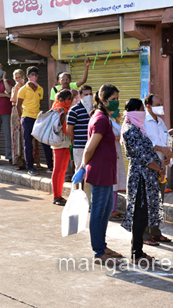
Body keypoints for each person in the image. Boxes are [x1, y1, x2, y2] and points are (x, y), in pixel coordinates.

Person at [72, 84, 122, 266]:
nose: (116, 103)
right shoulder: (100, 119)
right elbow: (89, 148)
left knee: (106, 210)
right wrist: (83, 168)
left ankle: (103, 245)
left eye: (117, 99)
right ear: (103, 100)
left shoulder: (103, 117)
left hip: (107, 170)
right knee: (99, 212)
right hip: (100, 171)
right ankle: (99, 252)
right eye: (113, 99)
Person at [121, 98, 164, 265]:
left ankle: (138, 251)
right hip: (140, 177)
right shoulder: (131, 130)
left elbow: (148, 151)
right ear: (134, 112)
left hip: (147, 176)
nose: (144, 113)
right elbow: (144, 157)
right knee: (140, 215)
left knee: (143, 214)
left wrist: (160, 164)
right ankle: (136, 253)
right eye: (141, 110)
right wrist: (158, 167)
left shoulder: (138, 128)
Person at [142, 94, 173, 245]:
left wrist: (169, 155)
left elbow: (167, 140)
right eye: (157, 104)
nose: (161, 106)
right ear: (148, 106)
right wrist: (161, 149)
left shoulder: (160, 121)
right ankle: (145, 234)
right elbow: (147, 143)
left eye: (161, 103)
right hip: (150, 166)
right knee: (148, 200)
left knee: (158, 201)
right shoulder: (143, 122)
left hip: (162, 166)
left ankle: (156, 232)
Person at [17, 67, 44, 175]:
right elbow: (18, 106)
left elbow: (39, 104)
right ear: (27, 76)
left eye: (36, 75)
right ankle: (30, 167)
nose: (34, 77)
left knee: (43, 141)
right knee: (28, 143)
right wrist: (21, 118)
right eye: (32, 74)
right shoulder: (22, 89)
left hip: (37, 118)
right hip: (27, 118)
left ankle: (49, 165)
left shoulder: (40, 89)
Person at [67, 85, 93, 201]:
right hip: (79, 147)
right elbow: (69, 130)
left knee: (91, 173)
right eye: (85, 95)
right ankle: (78, 198)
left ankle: (88, 198)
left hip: (92, 147)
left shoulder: (94, 110)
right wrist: (77, 139)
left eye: (90, 94)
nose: (88, 97)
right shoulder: (74, 110)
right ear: (80, 96)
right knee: (79, 173)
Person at [50, 90, 73, 205]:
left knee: (63, 170)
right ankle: (56, 196)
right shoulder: (58, 109)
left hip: (66, 141)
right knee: (58, 169)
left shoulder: (66, 109)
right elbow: (63, 128)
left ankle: (59, 195)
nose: (70, 100)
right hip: (59, 142)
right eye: (68, 98)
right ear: (62, 100)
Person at [109, 106, 127, 221]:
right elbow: (109, 136)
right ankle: (110, 210)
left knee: (116, 181)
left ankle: (113, 209)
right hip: (112, 153)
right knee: (112, 182)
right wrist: (120, 137)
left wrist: (118, 122)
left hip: (117, 153)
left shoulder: (112, 122)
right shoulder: (106, 122)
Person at [11, 69, 27, 170]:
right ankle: (20, 161)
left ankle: (30, 161)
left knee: (27, 135)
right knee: (18, 135)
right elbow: (14, 100)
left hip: (26, 110)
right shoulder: (14, 88)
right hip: (16, 112)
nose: (18, 80)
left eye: (19, 77)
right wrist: (17, 89)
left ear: (23, 77)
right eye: (16, 78)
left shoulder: (28, 87)